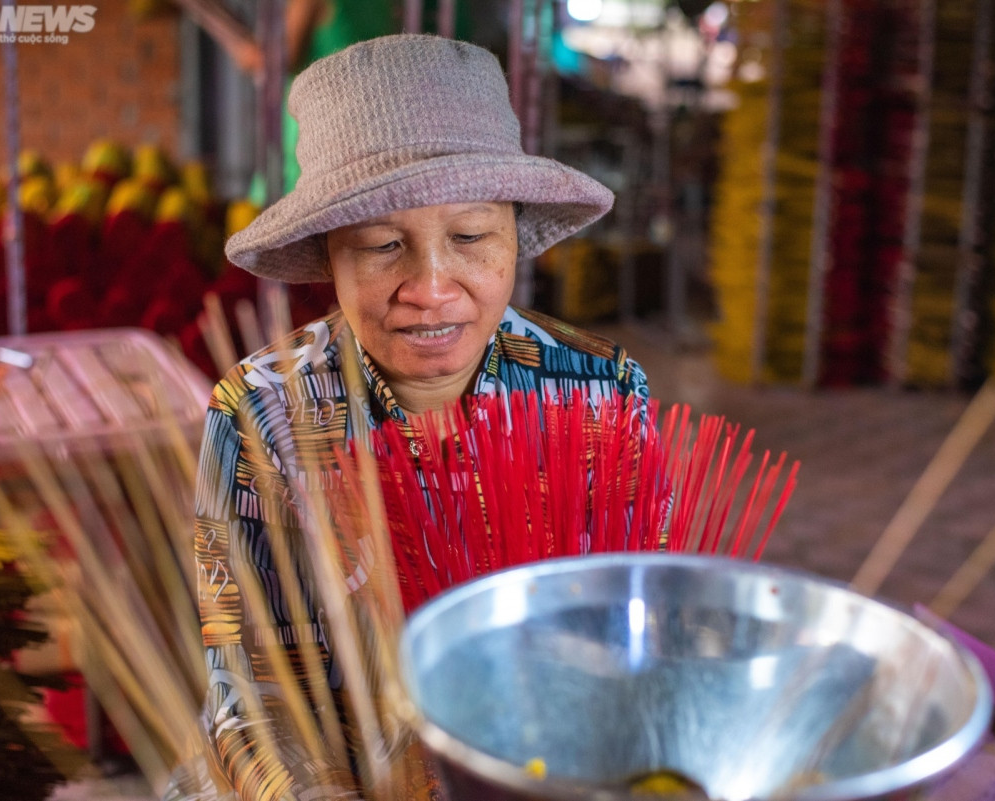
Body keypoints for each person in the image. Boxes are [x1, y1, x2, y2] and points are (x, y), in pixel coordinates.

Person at [179, 34, 649, 800]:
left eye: (469, 238)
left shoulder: (600, 392)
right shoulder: (264, 409)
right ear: (328, 255)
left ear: (514, 237)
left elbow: (630, 644)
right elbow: (248, 691)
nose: (431, 286)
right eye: (380, 244)